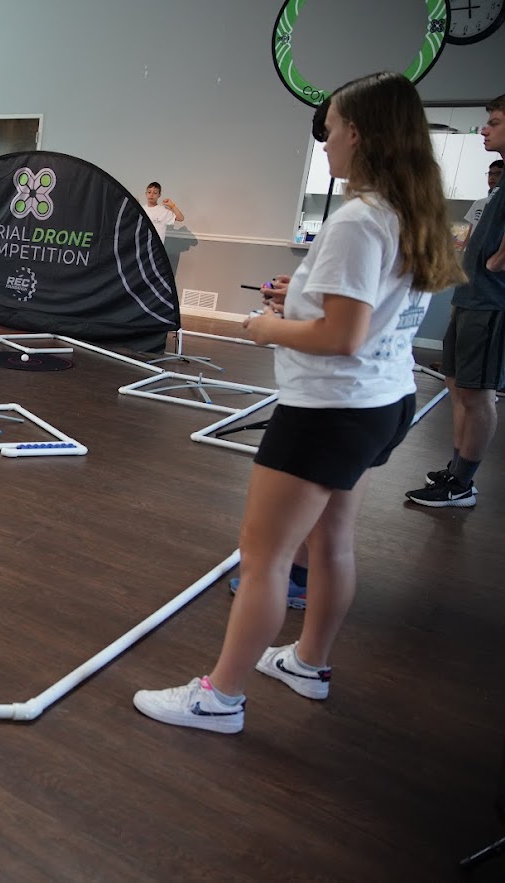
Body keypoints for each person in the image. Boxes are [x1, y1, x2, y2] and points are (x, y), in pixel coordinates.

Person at [133, 72, 466, 734]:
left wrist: (265, 327)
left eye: (331, 128)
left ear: (358, 134)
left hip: (329, 411)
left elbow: (342, 336)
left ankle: (220, 698)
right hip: (382, 403)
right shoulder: (407, 212)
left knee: (265, 558)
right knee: (332, 543)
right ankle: (308, 663)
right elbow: (366, 311)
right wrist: (302, 297)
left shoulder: (359, 219)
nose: (326, 141)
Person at [405, 96, 505, 508]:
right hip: (470, 298)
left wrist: (495, 263)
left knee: (477, 394)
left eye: (494, 122)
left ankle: (461, 484)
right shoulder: (500, 186)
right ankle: (457, 469)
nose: (485, 129)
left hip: (490, 302)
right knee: (456, 385)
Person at [463, 159, 502, 241]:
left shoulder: (501, 204)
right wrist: (464, 248)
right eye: (490, 174)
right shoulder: (478, 203)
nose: (492, 177)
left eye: (498, 174)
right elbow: (470, 233)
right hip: (474, 247)